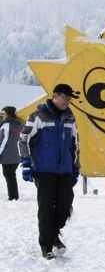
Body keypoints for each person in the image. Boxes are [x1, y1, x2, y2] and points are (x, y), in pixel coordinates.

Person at [18, 83, 80, 259]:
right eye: (65, 98)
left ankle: (53, 234)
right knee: (46, 208)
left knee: (64, 206)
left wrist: (76, 166)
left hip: (65, 169)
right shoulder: (38, 116)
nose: (68, 102)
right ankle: (46, 245)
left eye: (69, 99)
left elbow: (75, 144)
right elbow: (23, 140)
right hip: (44, 170)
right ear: (55, 96)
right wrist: (27, 163)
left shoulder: (69, 117)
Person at [0, 106, 24, 201]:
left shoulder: (6, 125)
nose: (3, 116)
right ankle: (14, 195)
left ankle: (13, 196)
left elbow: (3, 141)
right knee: (11, 175)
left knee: (8, 174)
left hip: (7, 155)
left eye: (4, 113)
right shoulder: (19, 124)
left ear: (8, 114)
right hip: (17, 154)